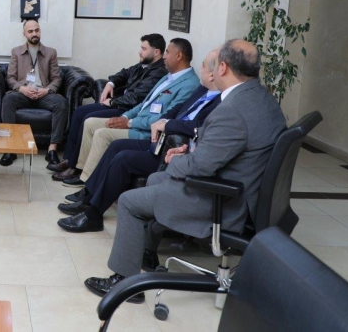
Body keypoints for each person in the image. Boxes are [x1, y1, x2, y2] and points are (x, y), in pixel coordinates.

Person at [84, 40, 286, 304]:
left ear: (223, 68)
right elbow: (229, 143)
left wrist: (176, 160)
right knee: (155, 179)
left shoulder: (232, 110)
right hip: (244, 191)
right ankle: (145, 251)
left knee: (130, 201)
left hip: (223, 201)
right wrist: (191, 150)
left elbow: (200, 166)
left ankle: (125, 282)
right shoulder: (263, 99)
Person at [57, 49, 222, 234]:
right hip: (160, 142)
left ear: (214, 73)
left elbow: (199, 126)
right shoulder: (202, 90)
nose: (200, 68)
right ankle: (89, 198)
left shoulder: (219, 100)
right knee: (116, 146)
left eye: (203, 65)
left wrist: (166, 125)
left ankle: (93, 214)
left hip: (174, 153)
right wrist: (163, 121)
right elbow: (176, 109)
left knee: (123, 158)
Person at [56, 38, 199, 186]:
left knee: (101, 134)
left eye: (167, 52)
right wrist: (125, 116)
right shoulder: (167, 76)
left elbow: (164, 119)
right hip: (134, 119)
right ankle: (79, 168)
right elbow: (144, 104)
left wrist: (129, 123)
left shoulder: (189, 84)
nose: (164, 56)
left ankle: (86, 181)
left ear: (179, 55)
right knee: (90, 122)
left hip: (145, 132)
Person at [48, 34, 166, 174]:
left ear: (156, 52)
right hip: (120, 103)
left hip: (128, 110)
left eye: (144, 49)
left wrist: (113, 101)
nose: (140, 52)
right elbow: (123, 73)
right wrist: (111, 83)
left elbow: (136, 98)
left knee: (87, 117)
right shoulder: (144, 64)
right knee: (79, 112)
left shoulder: (158, 72)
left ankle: (75, 167)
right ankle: (69, 160)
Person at [0, 19, 68, 166]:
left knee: (61, 103)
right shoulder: (16, 52)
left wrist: (46, 90)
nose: (34, 33)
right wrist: (22, 89)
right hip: (23, 94)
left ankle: (52, 149)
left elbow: (56, 78)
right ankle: (10, 148)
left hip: (43, 94)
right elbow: (10, 78)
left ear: (40, 31)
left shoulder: (50, 52)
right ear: (24, 34)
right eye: (30, 31)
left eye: (36, 30)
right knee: (8, 100)